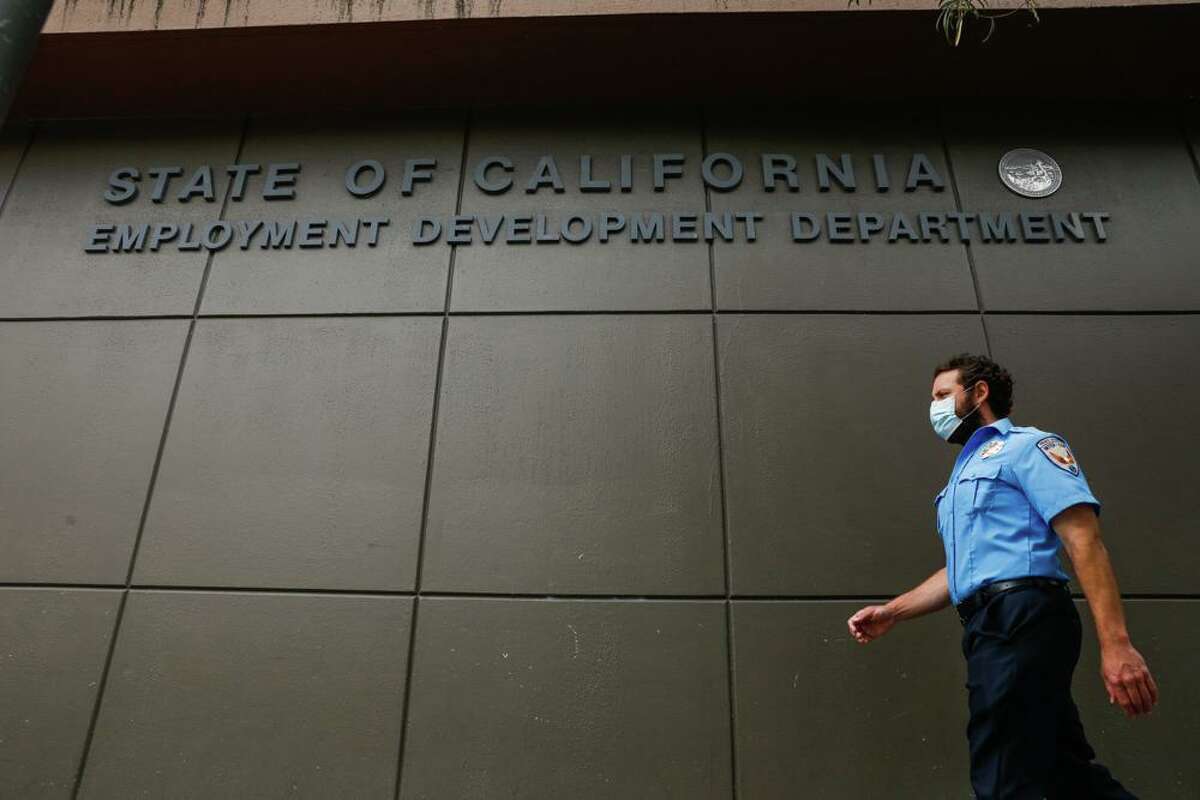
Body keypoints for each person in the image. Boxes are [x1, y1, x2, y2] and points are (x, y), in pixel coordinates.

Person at [846, 353, 1158, 799]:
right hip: (988, 623)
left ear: (979, 393)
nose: (933, 407)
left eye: (942, 395)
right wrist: (893, 612)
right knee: (1063, 770)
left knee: (1001, 768)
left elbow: (1084, 540)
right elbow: (966, 571)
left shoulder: (1028, 447)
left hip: (1022, 616)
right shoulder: (959, 478)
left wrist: (1116, 645)